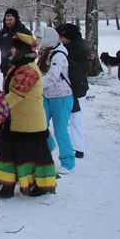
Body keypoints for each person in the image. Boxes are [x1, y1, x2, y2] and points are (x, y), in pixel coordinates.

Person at [0, 33, 57, 198]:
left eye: (14, 47)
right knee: (8, 152)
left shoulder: (28, 69)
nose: (11, 50)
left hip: (28, 122)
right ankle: (7, 185)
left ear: (21, 50)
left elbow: (16, 94)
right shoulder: (19, 65)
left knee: (32, 156)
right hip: (14, 119)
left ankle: (41, 185)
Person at [36, 26, 75, 174]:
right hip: (47, 96)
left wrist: (35, 86)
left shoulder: (59, 55)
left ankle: (68, 161)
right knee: (39, 126)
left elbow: (53, 76)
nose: (38, 41)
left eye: (40, 38)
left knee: (60, 130)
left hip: (62, 97)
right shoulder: (47, 52)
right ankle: (49, 145)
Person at [55, 23, 89, 159]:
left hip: (76, 88)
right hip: (75, 87)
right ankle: (77, 146)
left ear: (67, 36)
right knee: (73, 118)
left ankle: (78, 147)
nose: (59, 38)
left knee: (75, 117)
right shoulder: (72, 46)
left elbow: (74, 71)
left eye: (61, 36)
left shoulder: (76, 50)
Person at [0, 8, 31, 77]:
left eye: (10, 20)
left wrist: (15, 56)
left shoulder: (24, 32)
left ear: (16, 19)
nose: (8, 22)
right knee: (7, 87)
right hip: (6, 67)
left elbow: (30, 49)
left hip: (21, 68)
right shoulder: (2, 32)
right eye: (6, 20)